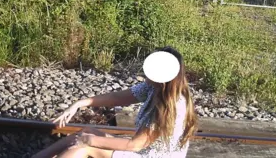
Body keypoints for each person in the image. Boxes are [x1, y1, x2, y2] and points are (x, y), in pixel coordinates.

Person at [32, 46, 197, 158]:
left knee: (83, 146)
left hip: (147, 155)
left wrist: (90, 141)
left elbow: (135, 145)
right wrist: (80, 103)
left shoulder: (172, 106)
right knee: (85, 131)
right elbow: (117, 98)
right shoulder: (153, 88)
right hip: (144, 152)